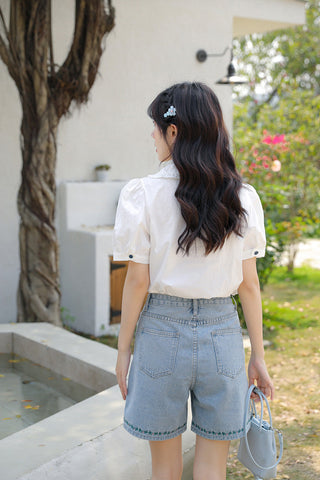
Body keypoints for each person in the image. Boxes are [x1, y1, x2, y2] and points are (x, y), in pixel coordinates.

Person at [113, 82, 274, 480]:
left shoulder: (143, 195)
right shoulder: (241, 197)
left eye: (156, 126)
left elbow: (137, 282)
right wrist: (258, 355)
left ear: (174, 131)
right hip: (222, 334)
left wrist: (123, 349)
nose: (151, 134)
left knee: (165, 469)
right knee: (212, 468)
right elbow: (248, 285)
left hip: (161, 333)